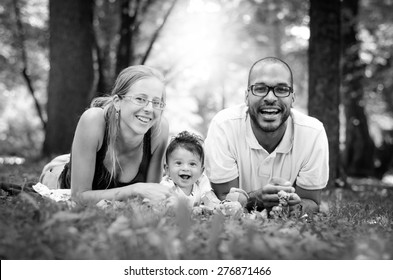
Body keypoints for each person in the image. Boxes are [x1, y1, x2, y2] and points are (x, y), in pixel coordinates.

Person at [204, 57, 329, 216]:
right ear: (246, 96)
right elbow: (223, 200)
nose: (270, 98)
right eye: (260, 88)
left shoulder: (313, 134)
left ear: (293, 98)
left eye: (282, 89)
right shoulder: (223, 126)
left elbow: (311, 202)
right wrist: (255, 199)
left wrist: (294, 207)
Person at [40, 65, 171, 205]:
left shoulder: (159, 129)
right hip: (59, 179)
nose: (149, 109)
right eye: (140, 99)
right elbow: (79, 196)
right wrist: (135, 189)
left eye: (157, 102)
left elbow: (151, 196)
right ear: (117, 102)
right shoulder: (94, 120)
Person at [160, 131, 220, 208]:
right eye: (178, 163)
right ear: (167, 169)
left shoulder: (200, 181)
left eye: (192, 164)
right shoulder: (167, 187)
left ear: (201, 171)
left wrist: (216, 204)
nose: (185, 168)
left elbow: (209, 197)